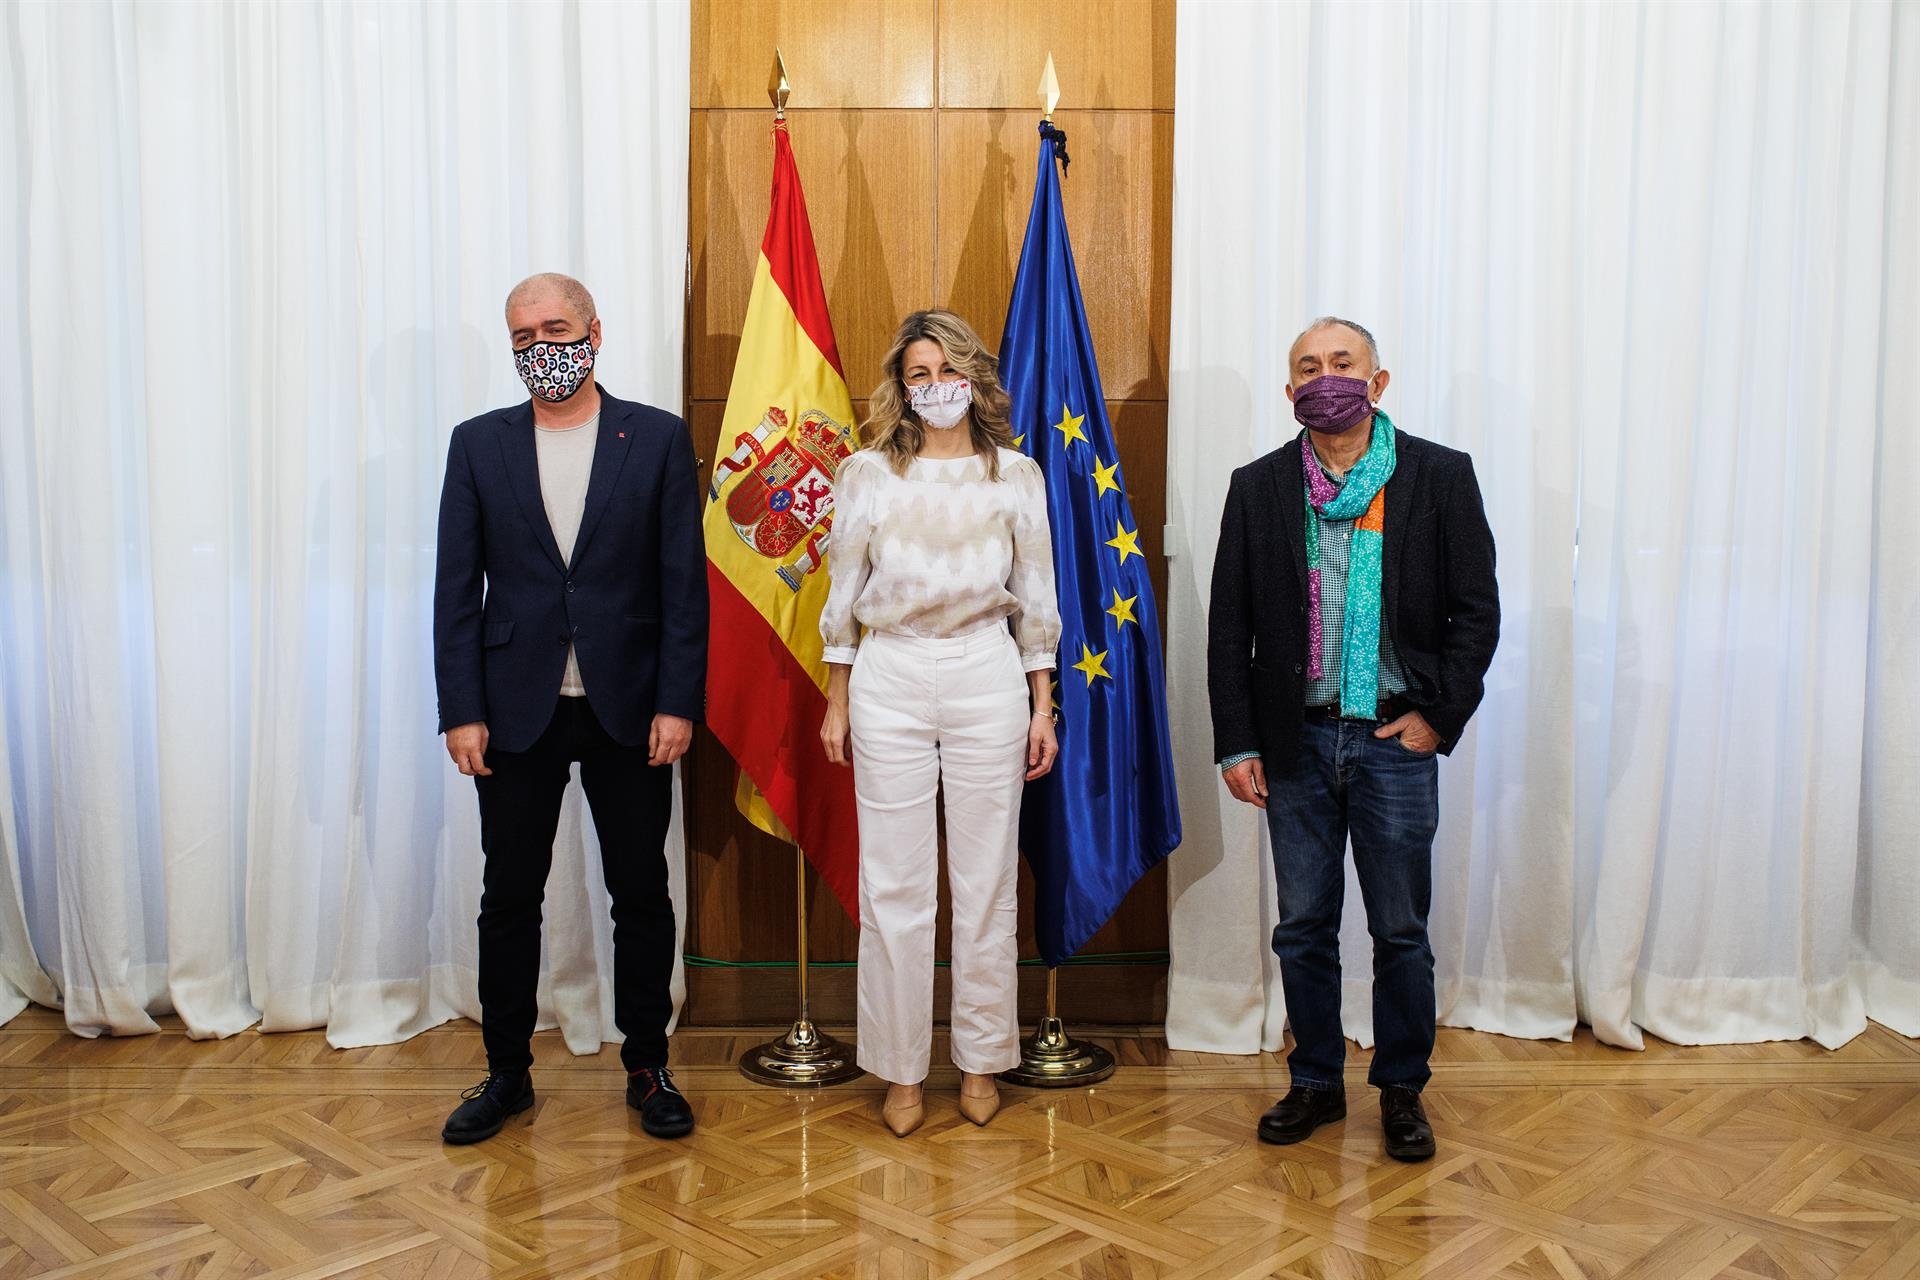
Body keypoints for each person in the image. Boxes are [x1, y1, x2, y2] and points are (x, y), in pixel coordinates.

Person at [1207, 317, 1498, 1162]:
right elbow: (1229, 627)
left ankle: (1402, 1089)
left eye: (1343, 363)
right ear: (1289, 388)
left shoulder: (1439, 475)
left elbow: (1476, 613)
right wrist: (1237, 743)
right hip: (1293, 743)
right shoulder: (1258, 486)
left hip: (1392, 742)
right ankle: (1315, 1083)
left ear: (1379, 382)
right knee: (1303, 925)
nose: (1325, 376)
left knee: (1401, 929)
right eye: (1309, 367)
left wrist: (1439, 717)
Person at [434, 273, 707, 1144]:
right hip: (515, 711)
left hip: (631, 707)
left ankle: (647, 1066)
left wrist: (677, 701)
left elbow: (682, 585)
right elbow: (455, 591)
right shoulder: (478, 444)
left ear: (594, 333)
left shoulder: (655, 437)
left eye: (555, 329)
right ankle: (506, 1073)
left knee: (641, 894)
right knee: (509, 897)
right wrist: (460, 709)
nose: (539, 348)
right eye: (522, 337)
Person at [819, 309, 1062, 1137]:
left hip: (986, 672)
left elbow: (1037, 595)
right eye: (919, 374)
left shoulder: (1015, 474)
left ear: (974, 376)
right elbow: (844, 592)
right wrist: (837, 698)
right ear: (902, 385)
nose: (935, 386)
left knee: (986, 881)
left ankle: (983, 1060)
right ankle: (900, 1070)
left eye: (948, 370)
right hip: (889, 671)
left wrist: (1042, 705)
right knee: (893, 883)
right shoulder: (866, 473)